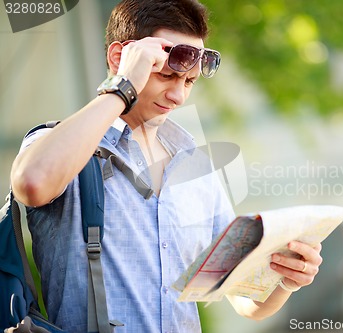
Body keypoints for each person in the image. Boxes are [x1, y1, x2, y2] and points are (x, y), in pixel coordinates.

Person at [10, 0, 324, 332]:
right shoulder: (64, 146)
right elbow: (32, 182)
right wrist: (124, 85)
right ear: (120, 58)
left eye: (188, 82)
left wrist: (283, 280)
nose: (178, 96)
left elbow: (241, 297)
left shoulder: (196, 166)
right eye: (166, 75)